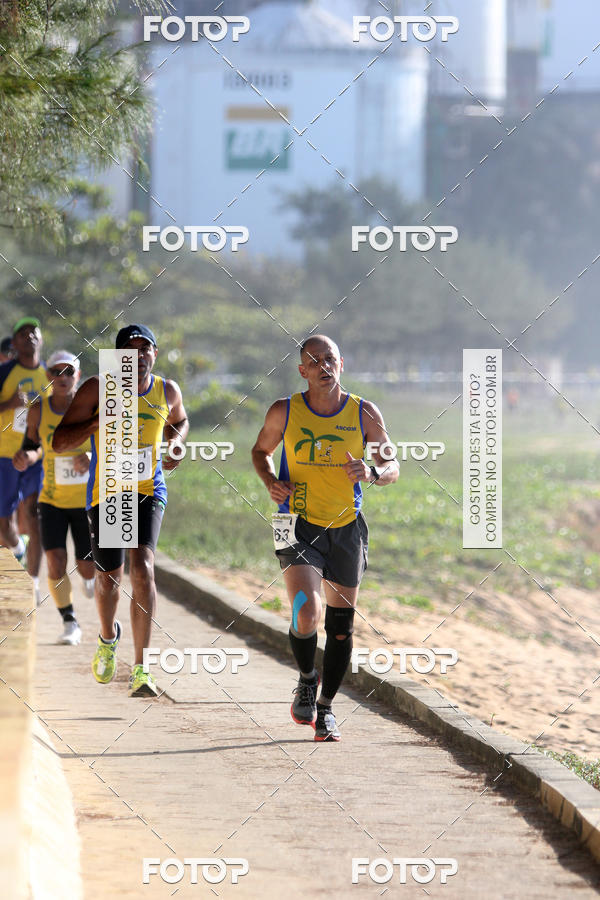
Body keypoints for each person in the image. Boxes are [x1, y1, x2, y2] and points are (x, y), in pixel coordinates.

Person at [252, 335, 399, 741]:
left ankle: (327, 708)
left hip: (346, 527)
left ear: (341, 363)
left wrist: (371, 474)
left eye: (329, 359)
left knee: (340, 628)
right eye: (313, 361)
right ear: (302, 370)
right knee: (305, 612)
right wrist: (270, 480)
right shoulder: (284, 410)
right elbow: (260, 451)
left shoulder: (364, 412)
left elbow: (392, 466)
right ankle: (305, 677)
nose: (323, 366)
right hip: (296, 523)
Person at [53, 324, 189, 696]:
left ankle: (143, 667)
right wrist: (96, 421)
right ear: (118, 357)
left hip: (148, 489)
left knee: (143, 568)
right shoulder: (99, 388)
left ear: (155, 355)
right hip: (109, 492)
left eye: (146, 348)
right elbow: (59, 441)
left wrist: (176, 443)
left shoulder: (167, 390)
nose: (139, 354)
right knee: (109, 579)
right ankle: (107, 635)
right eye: (130, 348)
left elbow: (180, 419)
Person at [13, 351, 95, 645]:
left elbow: (111, 445)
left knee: (86, 565)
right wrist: (27, 457)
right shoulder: (38, 410)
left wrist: (90, 455)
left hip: (88, 501)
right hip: (52, 500)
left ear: (78, 374)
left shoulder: (92, 408)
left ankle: (89, 577)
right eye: (56, 372)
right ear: (48, 377)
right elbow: (33, 446)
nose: (63, 377)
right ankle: (70, 622)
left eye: (68, 371)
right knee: (56, 560)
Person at [0, 317, 48, 602]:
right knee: (4, 523)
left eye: (34, 332)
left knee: (33, 514)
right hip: (4, 456)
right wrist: (10, 404)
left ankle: (33, 580)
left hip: (35, 456)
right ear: (15, 343)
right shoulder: (5, 372)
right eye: (23, 333)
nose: (29, 336)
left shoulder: (50, 377)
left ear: (41, 340)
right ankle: (17, 550)